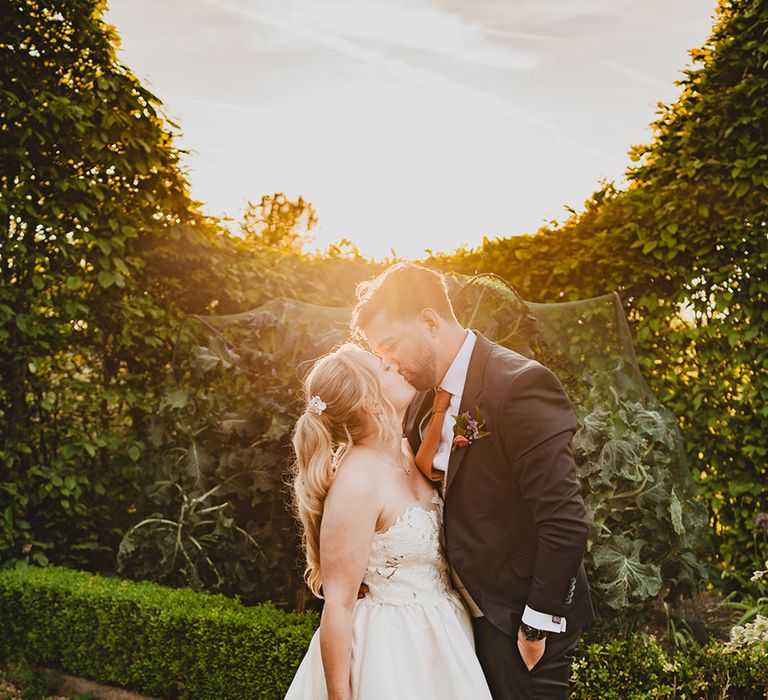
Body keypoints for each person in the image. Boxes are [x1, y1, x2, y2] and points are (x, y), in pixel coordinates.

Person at [351, 263, 595, 699]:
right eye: (379, 355)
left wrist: (535, 625)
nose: (388, 363)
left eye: (390, 345)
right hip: (453, 624)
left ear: (429, 321)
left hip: (517, 622)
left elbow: (564, 520)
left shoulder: (520, 386)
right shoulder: (421, 394)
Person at [284, 343, 492, 700]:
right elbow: (339, 604)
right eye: (383, 367)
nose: (396, 364)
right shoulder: (358, 482)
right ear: (369, 400)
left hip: (444, 635)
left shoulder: (411, 451)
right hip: (390, 651)